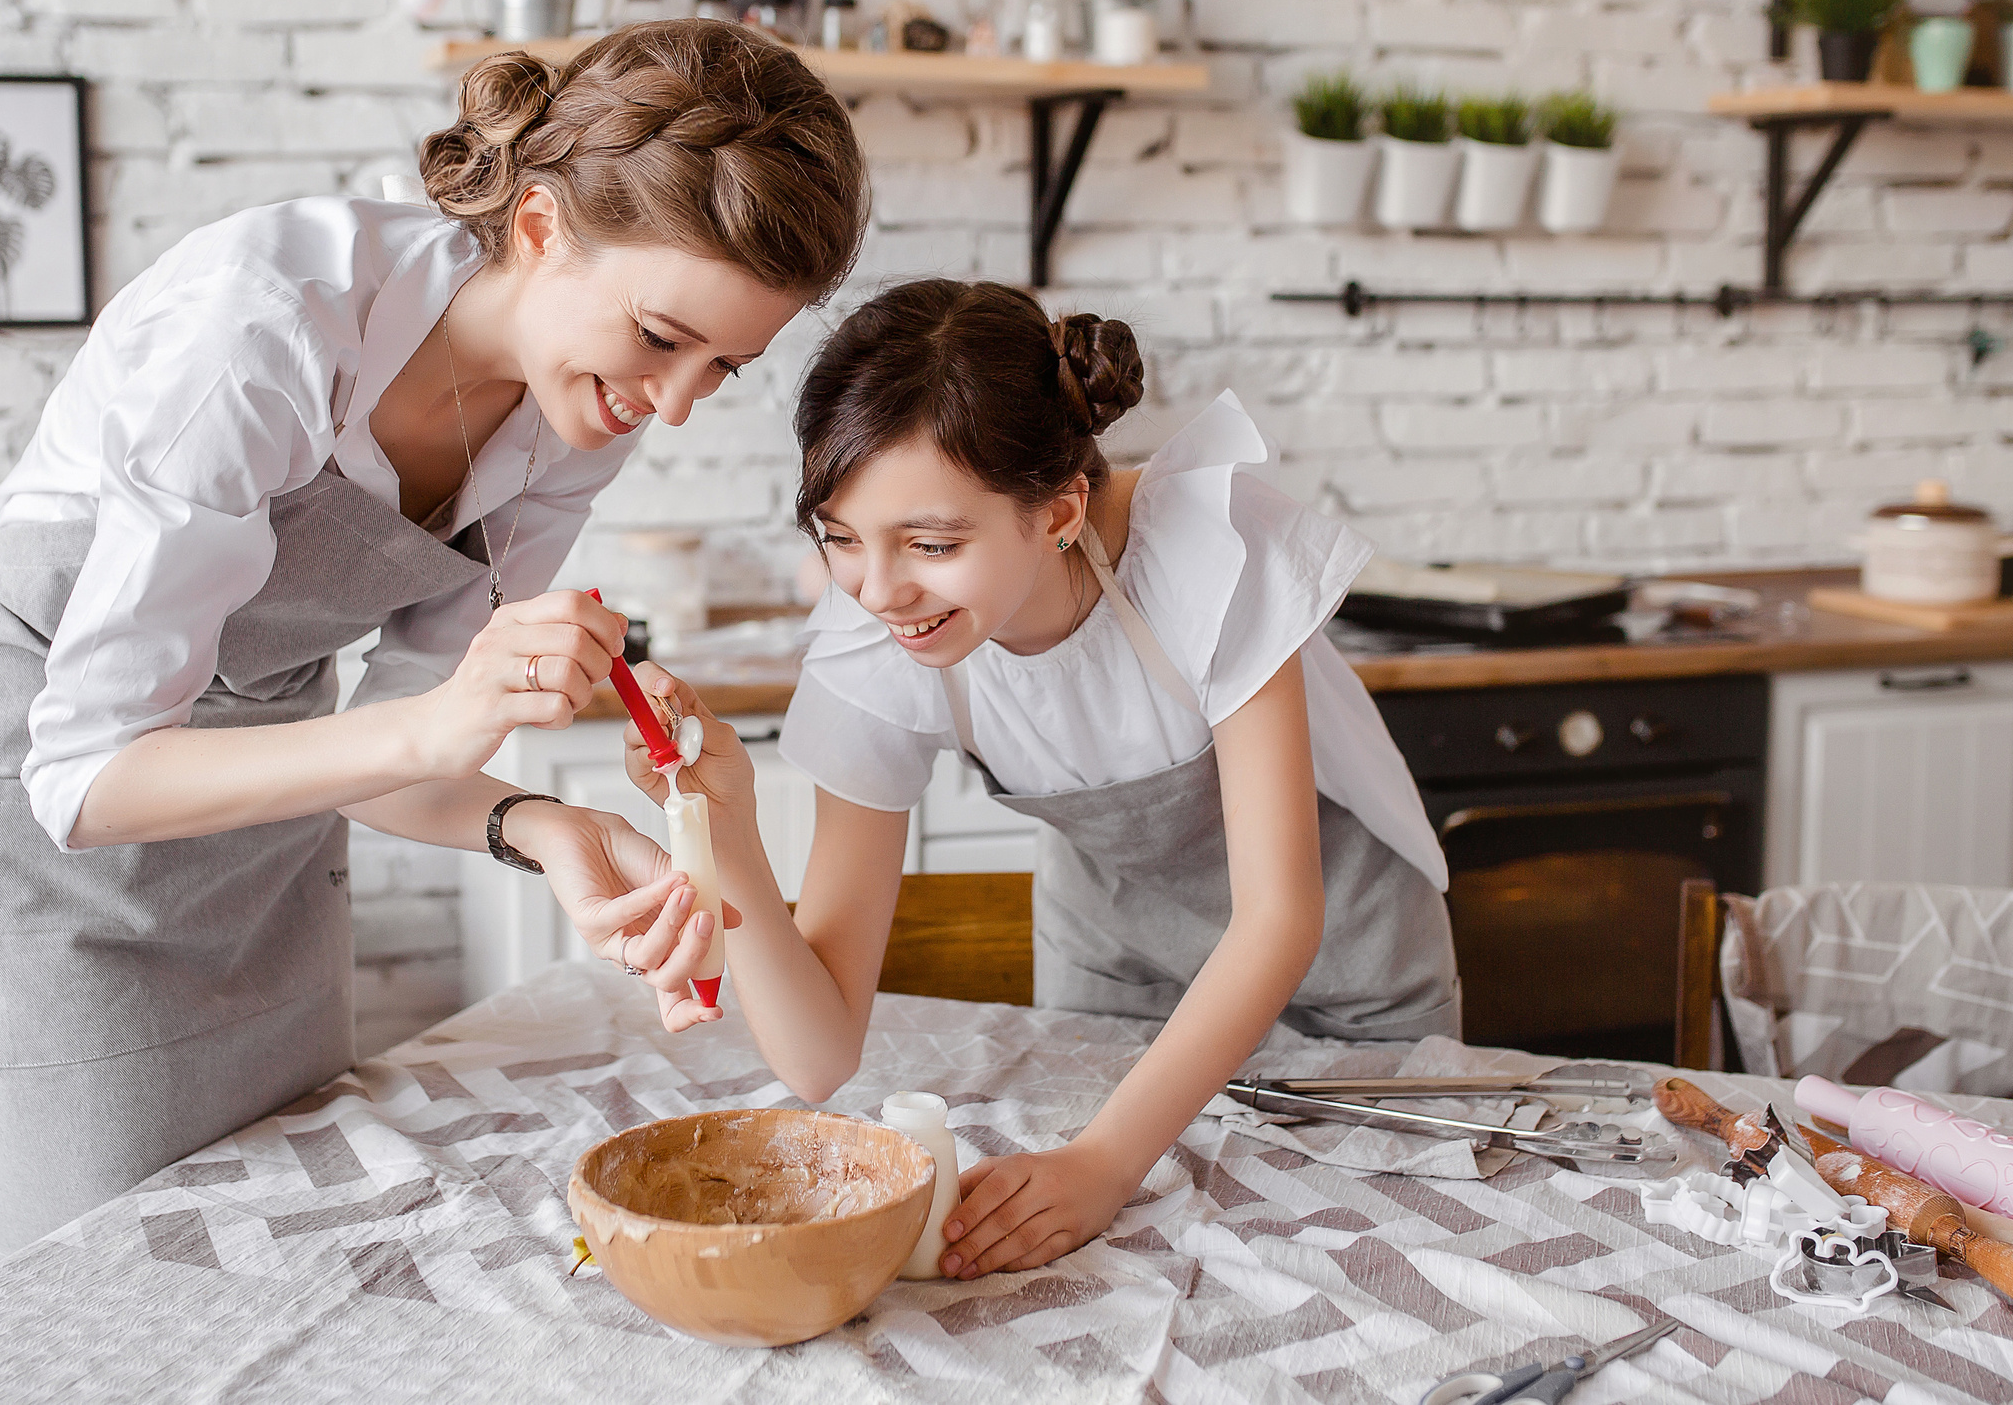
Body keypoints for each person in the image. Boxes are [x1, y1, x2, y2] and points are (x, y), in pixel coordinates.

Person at [0, 19, 870, 1265]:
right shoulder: (263, 327)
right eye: (662, 341)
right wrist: (433, 723)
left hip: (272, 784)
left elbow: (407, 763)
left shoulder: (577, 407)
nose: (671, 407)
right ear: (537, 229)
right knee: (101, 1263)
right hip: (56, 790)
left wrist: (551, 831)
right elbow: (86, 781)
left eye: (724, 369)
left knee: (272, 1223)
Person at [617, 279, 1458, 1282]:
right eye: (841, 539)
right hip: (1113, 971)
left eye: (932, 544)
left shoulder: (1205, 548)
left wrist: (1104, 1162)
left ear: (1058, 510)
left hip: (1344, 971)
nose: (879, 590)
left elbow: (1280, 917)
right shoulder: (878, 636)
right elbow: (818, 1055)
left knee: (1357, 1260)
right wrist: (729, 829)